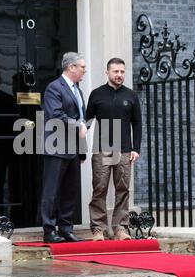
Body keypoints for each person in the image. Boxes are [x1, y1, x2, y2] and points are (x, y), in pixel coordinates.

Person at [86, 57, 142, 241]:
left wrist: (136, 148)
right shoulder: (96, 94)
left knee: (123, 189)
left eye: (122, 72)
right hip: (102, 149)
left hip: (125, 149)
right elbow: (86, 121)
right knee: (100, 188)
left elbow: (137, 123)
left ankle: (121, 228)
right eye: (115, 71)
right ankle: (98, 229)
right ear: (107, 72)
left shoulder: (131, 95)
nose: (119, 75)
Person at [40, 52, 87, 243]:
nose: (84, 70)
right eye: (82, 67)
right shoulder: (54, 88)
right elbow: (55, 115)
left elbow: (81, 117)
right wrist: (78, 125)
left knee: (70, 190)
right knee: (52, 190)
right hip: (57, 147)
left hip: (74, 149)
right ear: (71, 67)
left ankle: (66, 228)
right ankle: (49, 230)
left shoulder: (78, 90)